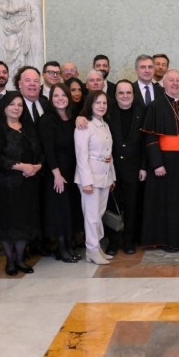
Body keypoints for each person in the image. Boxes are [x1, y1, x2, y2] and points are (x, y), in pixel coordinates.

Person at [0, 92, 43, 276]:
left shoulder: (28, 127)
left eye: (20, 105)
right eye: (12, 104)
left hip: (28, 185)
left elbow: (40, 149)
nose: (16, 108)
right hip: (5, 186)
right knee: (7, 224)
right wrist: (22, 167)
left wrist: (37, 166)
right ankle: (10, 260)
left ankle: (20, 259)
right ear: (4, 107)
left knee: (24, 222)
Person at [140, 69, 179, 251]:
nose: (174, 83)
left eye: (177, 80)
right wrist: (157, 163)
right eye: (170, 80)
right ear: (163, 83)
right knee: (167, 202)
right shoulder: (156, 106)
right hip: (165, 163)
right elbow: (150, 138)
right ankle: (167, 240)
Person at [38, 83, 80, 263]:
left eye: (63, 95)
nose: (60, 98)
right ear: (51, 99)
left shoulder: (73, 118)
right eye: (56, 96)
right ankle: (61, 249)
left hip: (73, 171)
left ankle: (70, 245)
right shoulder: (47, 119)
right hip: (57, 173)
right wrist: (56, 174)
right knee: (60, 211)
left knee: (70, 209)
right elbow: (48, 149)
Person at [74, 90, 117, 265]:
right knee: (91, 216)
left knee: (98, 215)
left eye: (104, 103)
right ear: (90, 104)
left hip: (105, 176)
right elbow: (81, 155)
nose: (101, 106)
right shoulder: (85, 125)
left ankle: (96, 247)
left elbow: (109, 154)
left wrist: (112, 177)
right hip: (90, 177)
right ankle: (91, 250)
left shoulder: (104, 125)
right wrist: (87, 182)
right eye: (98, 103)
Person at [107, 80, 147, 255]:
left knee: (132, 207)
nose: (125, 96)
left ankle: (129, 242)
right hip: (112, 170)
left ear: (133, 94)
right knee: (112, 207)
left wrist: (144, 167)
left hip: (133, 169)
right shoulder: (107, 112)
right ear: (115, 95)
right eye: (121, 93)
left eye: (128, 93)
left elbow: (146, 142)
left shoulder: (142, 112)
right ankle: (113, 242)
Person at [0, 0, 41, 76]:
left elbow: (33, 8)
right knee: (13, 49)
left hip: (26, 25)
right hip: (13, 26)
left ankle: (25, 74)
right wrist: (15, 10)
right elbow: (3, 10)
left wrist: (32, 15)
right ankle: (14, 73)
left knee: (26, 52)